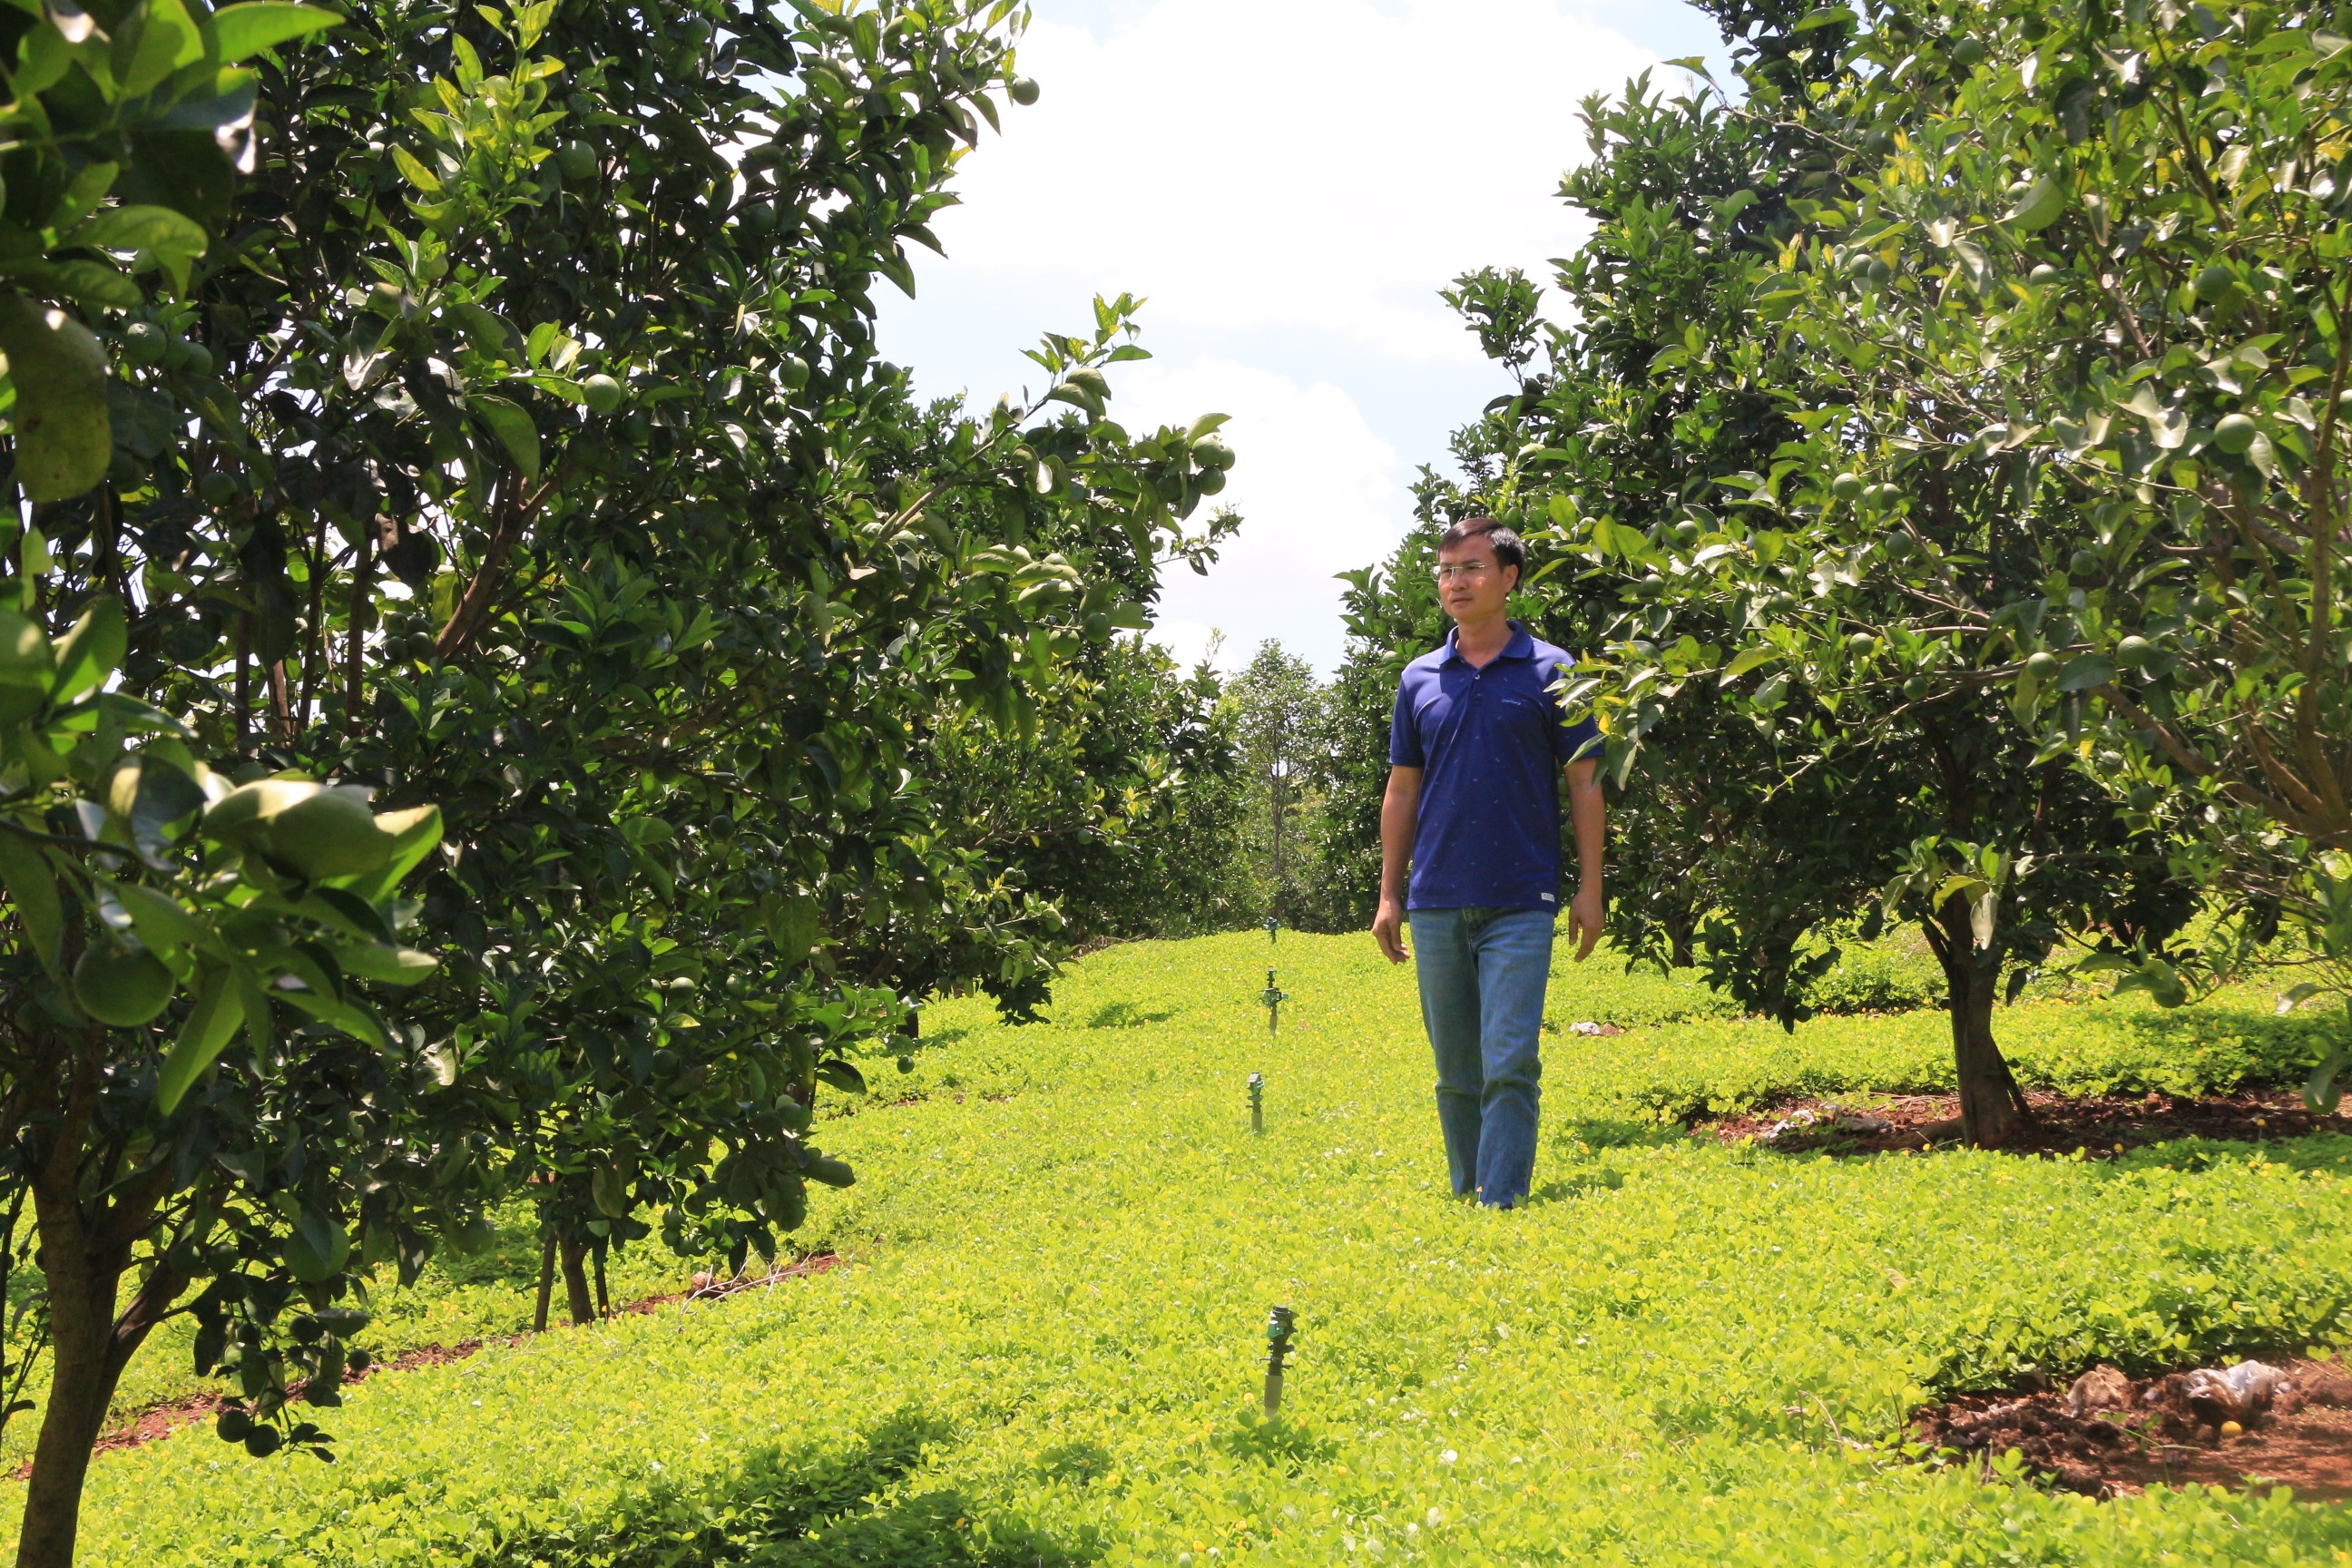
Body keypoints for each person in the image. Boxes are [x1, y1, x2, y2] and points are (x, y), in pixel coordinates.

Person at [1371, 515, 1605, 1210]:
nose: (1455, 583)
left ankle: (1499, 1202)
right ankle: (1466, 1188)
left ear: (1508, 577)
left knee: (1510, 1063)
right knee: (1455, 1073)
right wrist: (1389, 895)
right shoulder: (1419, 679)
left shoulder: (1554, 671)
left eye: (1470, 568)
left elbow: (1585, 781)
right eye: (1445, 571)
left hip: (1521, 899)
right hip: (1436, 900)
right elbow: (1401, 789)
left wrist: (1590, 890)